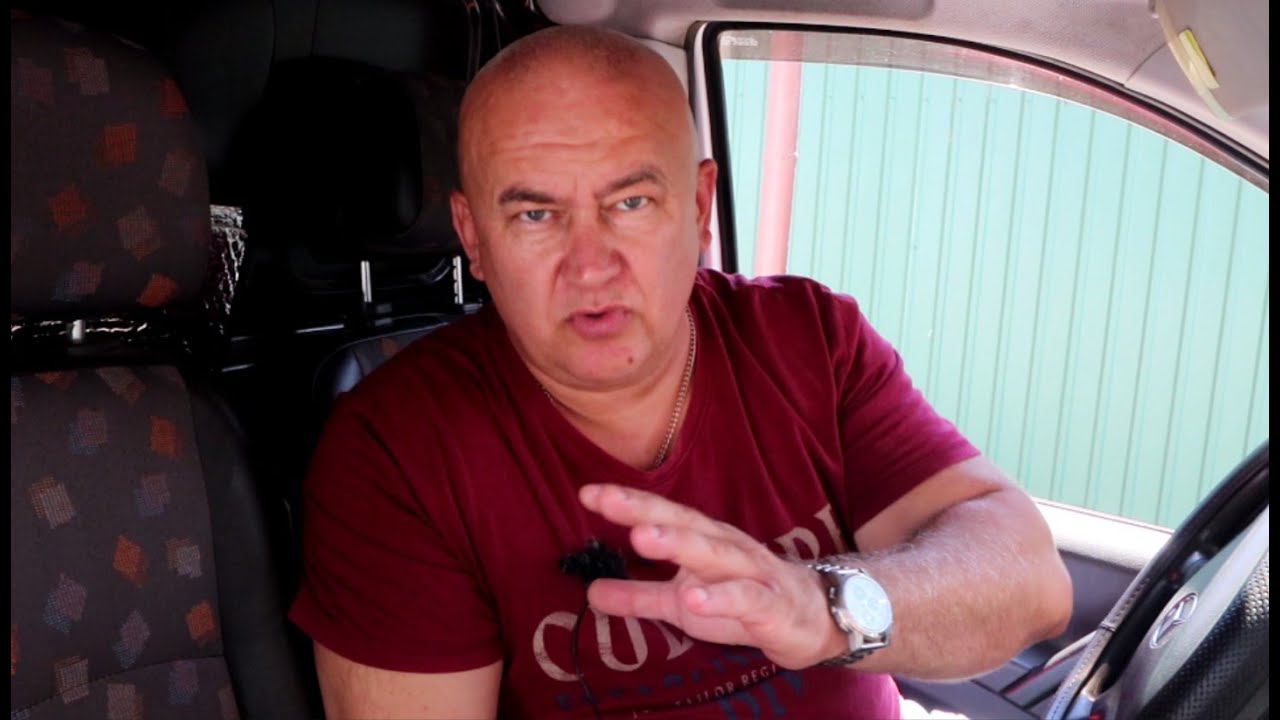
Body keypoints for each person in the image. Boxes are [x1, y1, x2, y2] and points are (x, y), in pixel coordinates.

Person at [288, 25, 1073, 720]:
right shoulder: (396, 451)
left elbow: (1032, 582)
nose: (590, 267)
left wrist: (822, 607)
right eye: (536, 215)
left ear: (699, 209)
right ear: (473, 236)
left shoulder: (807, 339)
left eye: (631, 203)